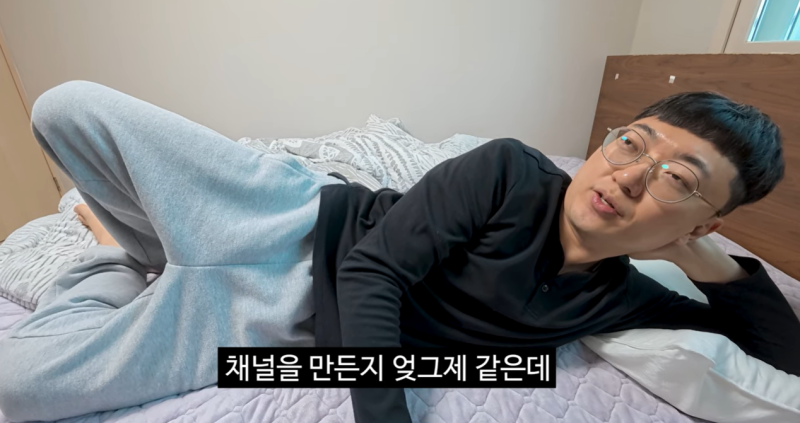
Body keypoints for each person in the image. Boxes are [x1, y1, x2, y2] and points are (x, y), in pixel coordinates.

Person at [0, 81, 797, 423]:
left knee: (15, 386)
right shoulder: (512, 171)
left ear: (703, 223)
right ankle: (149, 240)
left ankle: (107, 261)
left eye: (676, 179)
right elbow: (373, 268)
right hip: (290, 220)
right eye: (631, 142)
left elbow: (782, 353)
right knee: (71, 109)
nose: (627, 174)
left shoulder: (620, 297)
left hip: (268, 329)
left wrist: (711, 262)